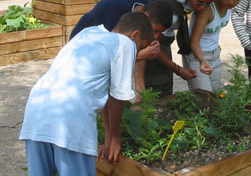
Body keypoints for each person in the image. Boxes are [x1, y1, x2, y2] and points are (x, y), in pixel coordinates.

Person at [19, 12, 154, 176]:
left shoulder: (89, 33)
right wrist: (115, 137)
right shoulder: (125, 43)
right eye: (141, 46)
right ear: (135, 34)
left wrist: (107, 136)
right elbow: (118, 95)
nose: (138, 51)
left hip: (36, 111)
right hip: (69, 119)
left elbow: (105, 93)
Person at [138, 0, 220, 96]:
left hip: (157, 34)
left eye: (208, 4)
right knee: (157, 87)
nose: (203, 8)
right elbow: (153, 46)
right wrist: (178, 70)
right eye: (199, 2)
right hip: (146, 39)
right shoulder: (171, 12)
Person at [69, 0, 173, 95]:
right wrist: (141, 55)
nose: (156, 36)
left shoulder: (145, 5)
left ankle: (141, 95)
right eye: (155, 31)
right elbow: (111, 58)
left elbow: (138, 49)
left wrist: (178, 70)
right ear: (146, 15)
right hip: (83, 53)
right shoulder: (112, 11)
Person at [182, 0, 246, 92]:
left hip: (214, 54)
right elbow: (194, 41)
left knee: (217, 95)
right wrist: (202, 60)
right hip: (197, 56)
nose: (231, 1)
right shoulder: (208, 9)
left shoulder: (228, 8)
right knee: (204, 97)